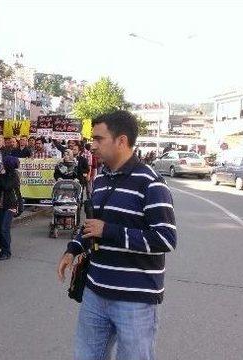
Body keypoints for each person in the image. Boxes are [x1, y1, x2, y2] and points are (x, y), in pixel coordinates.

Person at [57, 110, 177, 360]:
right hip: (95, 290)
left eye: (99, 139)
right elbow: (92, 225)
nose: (93, 145)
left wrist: (108, 231)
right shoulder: (101, 178)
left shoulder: (151, 183)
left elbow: (165, 238)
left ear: (121, 141)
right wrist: (74, 248)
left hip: (135, 299)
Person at [0, 155, 21, 261]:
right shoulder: (7, 174)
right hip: (3, 203)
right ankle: (3, 249)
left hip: (11, 204)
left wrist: (1, 176)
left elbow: (6, 186)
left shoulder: (14, 175)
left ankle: (7, 251)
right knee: (2, 228)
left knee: (4, 228)